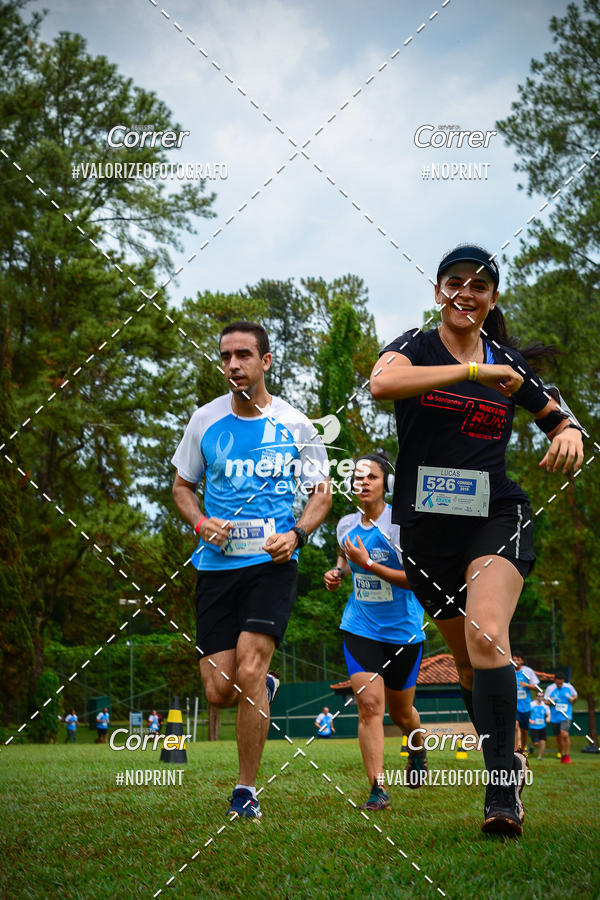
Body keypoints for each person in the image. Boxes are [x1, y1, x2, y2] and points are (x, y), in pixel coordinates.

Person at [370, 243, 584, 836]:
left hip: (495, 514)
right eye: (454, 282)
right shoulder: (415, 345)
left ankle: (501, 793)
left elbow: (556, 414)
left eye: (479, 285)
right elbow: (382, 385)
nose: (466, 292)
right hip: (425, 529)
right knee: (466, 665)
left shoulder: (508, 359)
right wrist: (472, 372)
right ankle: (504, 758)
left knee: (488, 634)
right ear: (439, 290)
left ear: (493, 299)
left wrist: (567, 433)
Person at [172, 320, 331, 819]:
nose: (233, 365)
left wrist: (298, 535)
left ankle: (245, 791)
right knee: (219, 691)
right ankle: (262, 688)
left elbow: (321, 493)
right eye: (225, 356)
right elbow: (182, 487)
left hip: (271, 564)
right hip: (217, 567)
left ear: (265, 362)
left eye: (243, 355)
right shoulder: (204, 421)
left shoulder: (297, 425)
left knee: (250, 669)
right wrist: (200, 522)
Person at [324, 454, 426, 811]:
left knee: (402, 714)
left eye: (371, 476)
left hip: (403, 632)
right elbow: (344, 554)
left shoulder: (401, 526)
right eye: (357, 477)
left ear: (387, 484)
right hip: (360, 625)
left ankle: (417, 747)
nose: (363, 482)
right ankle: (378, 788)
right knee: (369, 707)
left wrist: (368, 563)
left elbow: (416, 581)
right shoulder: (345, 524)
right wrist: (338, 573)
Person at [545, 672, 578, 764]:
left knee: (565, 734)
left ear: (563, 681)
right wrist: (550, 701)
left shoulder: (569, 687)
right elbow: (546, 701)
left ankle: (567, 755)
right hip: (555, 717)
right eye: (558, 683)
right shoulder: (550, 688)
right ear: (555, 680)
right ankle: (561, 754)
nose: (559, 684)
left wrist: (573, 699)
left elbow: (575, 695)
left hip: (566, 715)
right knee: (558, 738)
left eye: (561, 683)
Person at [513, 651, 540, 752]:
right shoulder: (509, 671)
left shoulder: (528, 671)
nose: (516, 661)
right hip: (513, 706)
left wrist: (527, 685)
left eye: (518, 659)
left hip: (525, 707)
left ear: (522, 661)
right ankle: (515, 750)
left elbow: (537, 687)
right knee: (515, 726)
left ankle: (522, 749)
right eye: (514, 659)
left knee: (524, 731)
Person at [528, 694, 550, 760]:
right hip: (534, 727)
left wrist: (548, 718)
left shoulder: (545, 706)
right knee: (536, 743)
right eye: (538, 696)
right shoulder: (531, 704)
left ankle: (539, 757)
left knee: (543, 741)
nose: (540, 697)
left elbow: (548, 713)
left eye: (541, 696)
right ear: (536, 696)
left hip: (542, 727)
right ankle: (531, 746)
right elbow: (526, 713)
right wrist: (530, 720)